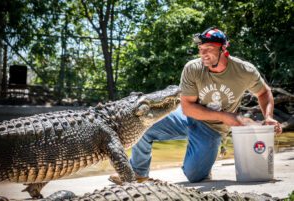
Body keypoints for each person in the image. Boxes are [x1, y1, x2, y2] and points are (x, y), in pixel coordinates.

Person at [109, 27, 282, 184]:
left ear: (223, 49)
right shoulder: (192, 68)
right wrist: (226, 116)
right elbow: (188, 107)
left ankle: (205, 159)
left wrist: (268, 117)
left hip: (213, 129)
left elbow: (264, 93)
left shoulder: (244, 71)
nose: (203, 54)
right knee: (143, 122)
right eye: (201, 50)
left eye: (209, 49)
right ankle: (138, 172)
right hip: (186, 117)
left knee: (195, 176)